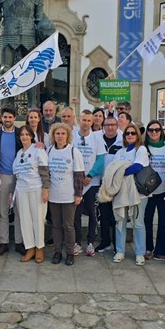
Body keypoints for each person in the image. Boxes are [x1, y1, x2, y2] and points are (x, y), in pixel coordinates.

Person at [45, 123, 84, 265]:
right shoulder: (49, 150)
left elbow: (79, 174)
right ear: (53, 136)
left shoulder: (74, 151)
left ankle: (70, 252)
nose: (60, 136)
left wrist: (78, 194)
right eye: (57, 133)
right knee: (56, 225)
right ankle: (57, 252)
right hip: (53, 195)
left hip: (68, 195)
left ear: (67, 136)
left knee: (68, 225)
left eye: (63, 133)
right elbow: (46, 173)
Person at [111, 124, 149, 266]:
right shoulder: (120, 151)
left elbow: (137, 167)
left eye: (133, 133)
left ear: (138, 135)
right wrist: (120, 170)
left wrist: (121, 170)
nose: (130, 135)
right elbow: (112, 169)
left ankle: (140, 253)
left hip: (138, 193)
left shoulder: (141, 149)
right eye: (127, 133)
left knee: (138, 223)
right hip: (121, 191)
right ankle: (120, 251)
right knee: (120, 221)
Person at [12, 125, 50, 263]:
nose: (24, 137)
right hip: (22, 190)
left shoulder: (38, 149)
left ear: (31, 136)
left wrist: (45, 189)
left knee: (38, 219)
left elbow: (44, 171)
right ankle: (30, 248)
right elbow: (16, 174)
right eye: (22, 134)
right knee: (25, 220)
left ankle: (39, 248)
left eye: (27, 134)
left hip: (36, 188)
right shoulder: (19, 153)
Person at [0, 107, 26, 256]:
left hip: (20, 176)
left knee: (19, 211)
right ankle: (3, 242)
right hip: (3, 176)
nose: (7, 120)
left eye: (10, 117)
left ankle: (19, 242)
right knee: (3, 211)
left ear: (14, 118)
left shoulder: (20, 133)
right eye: (5, 117)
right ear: (2, 118)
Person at [73, 110, 106, 257]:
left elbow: (101, 159)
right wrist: (79, 177)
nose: (86, 123)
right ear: (79, 120)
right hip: (76, 182)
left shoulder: (97, 138)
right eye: (83, 120)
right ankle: (77, 242)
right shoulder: (72, 136)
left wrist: (90, 175)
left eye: (88, 120)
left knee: (92, 213)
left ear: (92, 122)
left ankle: (91, 242)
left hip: (92, 182)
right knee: (76, 214)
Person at [143, 120, 165, 261]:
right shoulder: (143, 147)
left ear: (161, 131)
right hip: (147, 191)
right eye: (151, 130)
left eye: (157, 129)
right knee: (146, 220)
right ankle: (147, 248)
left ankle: (163, 251)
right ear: (147, 132)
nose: (154, 132)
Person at [96, 116, 123, 253]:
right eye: (107, 125)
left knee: (117, 214)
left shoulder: (122, 140)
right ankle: (105, 241)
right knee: (104, 215)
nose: (110, 127)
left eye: (113, 125)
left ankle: (118, 244)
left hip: (118, 183)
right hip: (102, 183)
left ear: (117, 126)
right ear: (103, 126)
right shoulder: (97, 139)